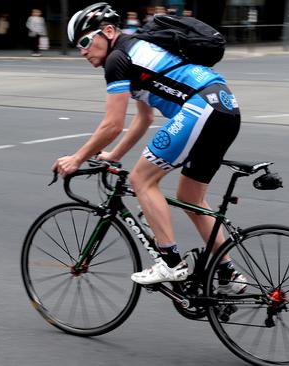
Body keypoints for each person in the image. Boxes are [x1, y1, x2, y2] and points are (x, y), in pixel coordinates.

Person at [54, 3, 246, 293]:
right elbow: (145, 118)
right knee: (190, 197)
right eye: (77, 46)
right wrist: (114, 155)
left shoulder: (117, 59)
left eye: (85, 41)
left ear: (107, 32)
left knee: (142, 179)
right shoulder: (137, 50)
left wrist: (77, 158)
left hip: (201, 108)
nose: (82, 51)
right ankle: (228, 273)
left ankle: (170, 262)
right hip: (225, 108)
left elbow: (112, 124)